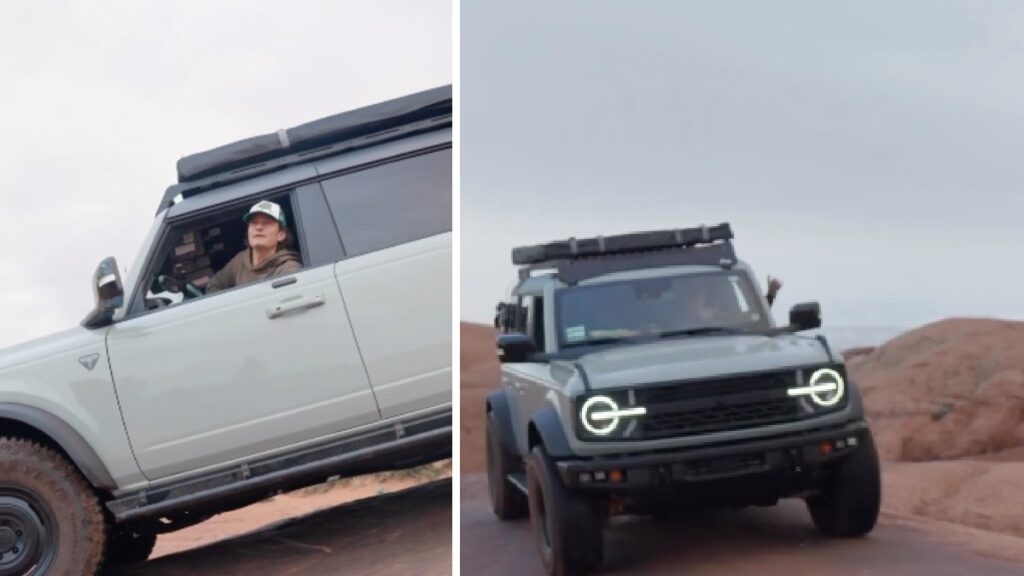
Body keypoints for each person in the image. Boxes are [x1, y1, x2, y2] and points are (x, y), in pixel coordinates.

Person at [206, 200, 302, 293]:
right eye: (254, 223)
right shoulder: (240, 260)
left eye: (267, 223)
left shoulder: (289, 268)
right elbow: (213, 286)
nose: (258, 227)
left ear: (281, 235)